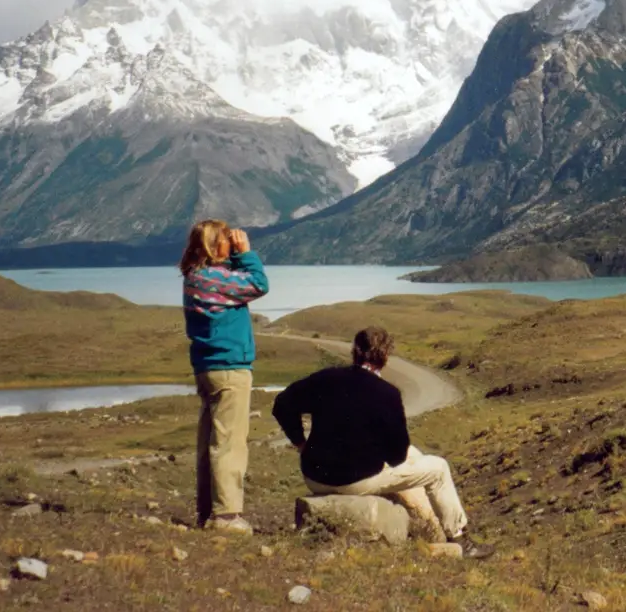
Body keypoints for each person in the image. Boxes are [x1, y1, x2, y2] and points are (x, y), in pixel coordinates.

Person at [271, 326, 491, 557]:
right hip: (357, 481)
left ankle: (434, 527)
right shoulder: (388, 394)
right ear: (385, 355)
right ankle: (459, 538)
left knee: (415, 453)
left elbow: (282, 404)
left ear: (355, 351)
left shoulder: (326, 378)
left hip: (314, 476)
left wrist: (301, 443)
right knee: (439, 469)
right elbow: (397, 456)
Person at [179, 219, 269, 534]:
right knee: (229, 443)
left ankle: (208, 511)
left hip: (208, 368)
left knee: (210, 442)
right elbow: (259, 284)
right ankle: (227, 516)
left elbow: (234, 279)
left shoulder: (197, 277)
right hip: (230, 368)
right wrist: (246, 253)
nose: (232, 241)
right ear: (214, 245)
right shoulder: (215, 280)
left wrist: (233, 256)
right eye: (226, 239)